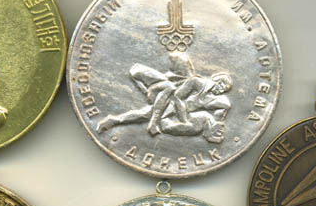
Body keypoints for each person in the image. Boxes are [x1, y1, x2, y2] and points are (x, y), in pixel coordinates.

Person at [96, 52, 231, 141]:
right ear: (216, 80)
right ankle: (151, 122)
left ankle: (113, 120)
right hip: (167, 100)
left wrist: (223, 110)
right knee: (148, 110)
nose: (221, 89)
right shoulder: (197, 82)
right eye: (221, 85)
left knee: (142, 114)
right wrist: (183, 118)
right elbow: (177, 97)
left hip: (176, 111)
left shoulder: (214, 98)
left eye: (224, 89)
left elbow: (221, 109)